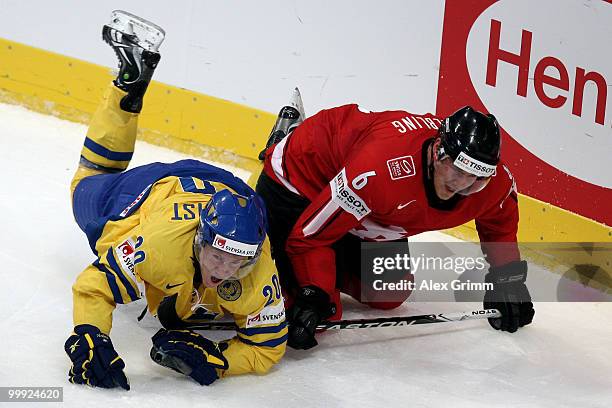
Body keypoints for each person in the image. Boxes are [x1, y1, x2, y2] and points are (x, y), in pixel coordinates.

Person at [64, 10, 286, 390]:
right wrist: (90, 335)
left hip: (233, 192)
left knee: (258, 209)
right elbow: (94, 284)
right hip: (159, 187)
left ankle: (280, 150)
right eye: (219, 255)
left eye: (239, 260)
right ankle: (126, 86)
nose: (226, 269)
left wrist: (218, 359)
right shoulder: (157, 247)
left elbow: (267, 349)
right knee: (88, 182)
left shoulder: (257, 271)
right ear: (200, 240)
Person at [256, 91, 535, 350]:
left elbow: (500, 224)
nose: (461, 185)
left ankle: (330, 261)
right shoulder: (379, 172)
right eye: (457, 169)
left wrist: (506, 279)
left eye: (476, 178)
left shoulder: (494, 184)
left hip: (362, 204)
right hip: (304, 177)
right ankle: (286, 137)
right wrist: (314, 292)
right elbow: (310, 238)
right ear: (438, 152)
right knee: (315, 313)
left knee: (389, 292)